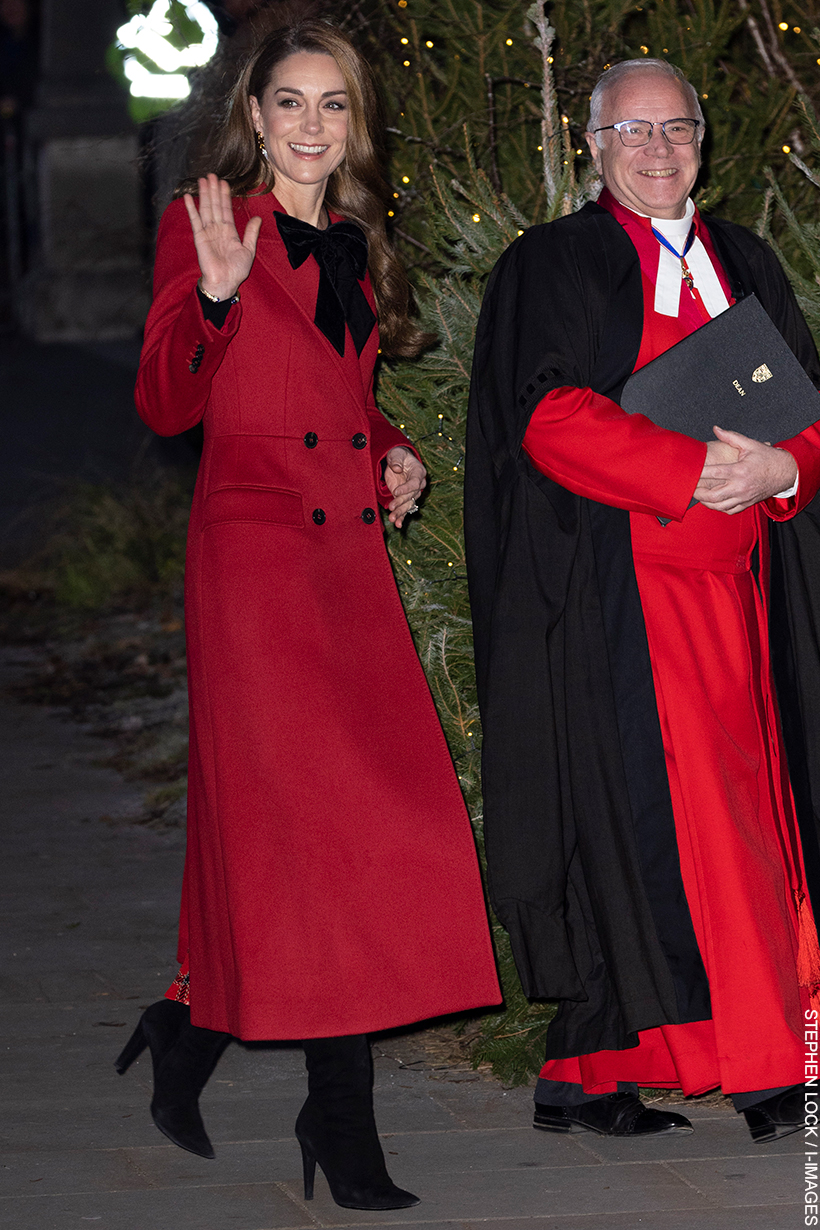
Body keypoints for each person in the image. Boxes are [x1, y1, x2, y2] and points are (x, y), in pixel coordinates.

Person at [118, 19, 500, 1209]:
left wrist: (391, 455)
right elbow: (169, 400)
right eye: (290, 103)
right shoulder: (212, 225)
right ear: (253, 113)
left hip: (347, 568)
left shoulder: (353, 240)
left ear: (354, 125)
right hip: (256, 574)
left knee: (374, 831)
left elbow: (340, 398)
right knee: (313, 843)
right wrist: (218, 301)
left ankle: (187, 1038)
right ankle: (341, 1124)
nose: (311, 127)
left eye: (334, 106)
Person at [465, 57, 820, 1145]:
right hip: (627, 600)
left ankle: (594, 1070)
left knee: (747, 821)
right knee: (675, 827)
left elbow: (806, 400)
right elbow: (546, 416)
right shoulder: (553, 263)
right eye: (632, 132)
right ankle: (764, 1068)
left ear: (701, 143)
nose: (657, 151)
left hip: (744, 600)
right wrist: (688, 472)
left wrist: (782, 471)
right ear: (592, 146)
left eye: (675, 130)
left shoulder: (744, 259)